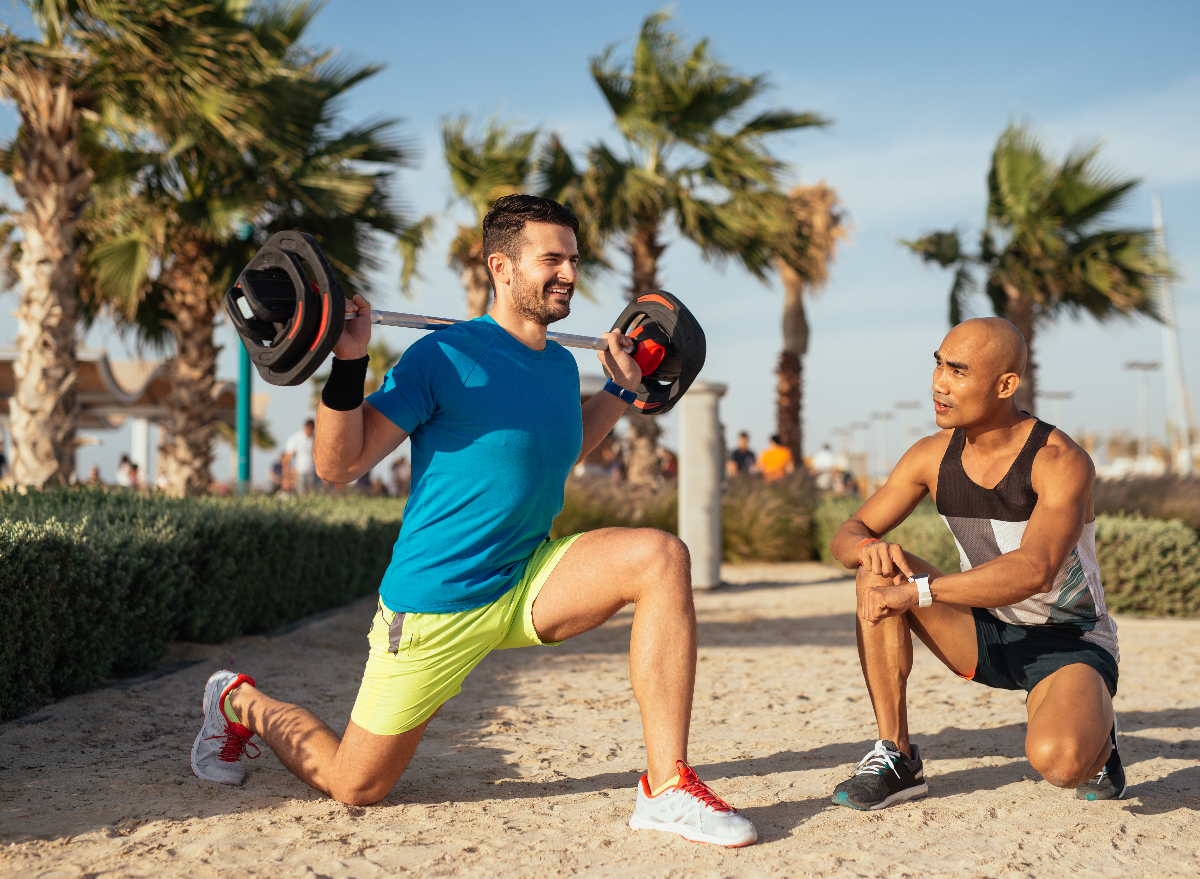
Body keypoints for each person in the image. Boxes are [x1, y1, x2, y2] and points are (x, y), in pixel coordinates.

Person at [189, 195, 756, 847]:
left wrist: (624, 391)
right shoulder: (443, 357)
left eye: (573, 260)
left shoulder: (555, 365)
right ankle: (235, 700)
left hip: (524, 581)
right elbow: (339, 465)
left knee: (660, 556)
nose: (569, 274)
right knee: (357, 784)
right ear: (502, 267)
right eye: (552, 259)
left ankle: (667, 785)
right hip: (435, 606)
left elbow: (558, 450)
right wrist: (348, 361)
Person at [828, 317, 1123, 811]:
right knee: (876, 568)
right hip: (980, 628)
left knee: (1062, 763)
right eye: (939, 364)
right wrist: (865, 549)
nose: (938, 383)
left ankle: (1101, 739)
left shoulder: (1058, 459)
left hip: (1065, 640)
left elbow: (1035, 570)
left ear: (1006, 384)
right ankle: (896, 756)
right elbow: (848, 534)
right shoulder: (930, 455)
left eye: (958, 371)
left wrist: (918, 593)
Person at [282, 419, 317, 494]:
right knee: (301, 494)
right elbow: (287, 460)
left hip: (314, 472)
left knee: (316, 494)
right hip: (301, 472)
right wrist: (286, 479)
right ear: (305, 427)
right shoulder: (296, 439)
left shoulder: (316, 438)